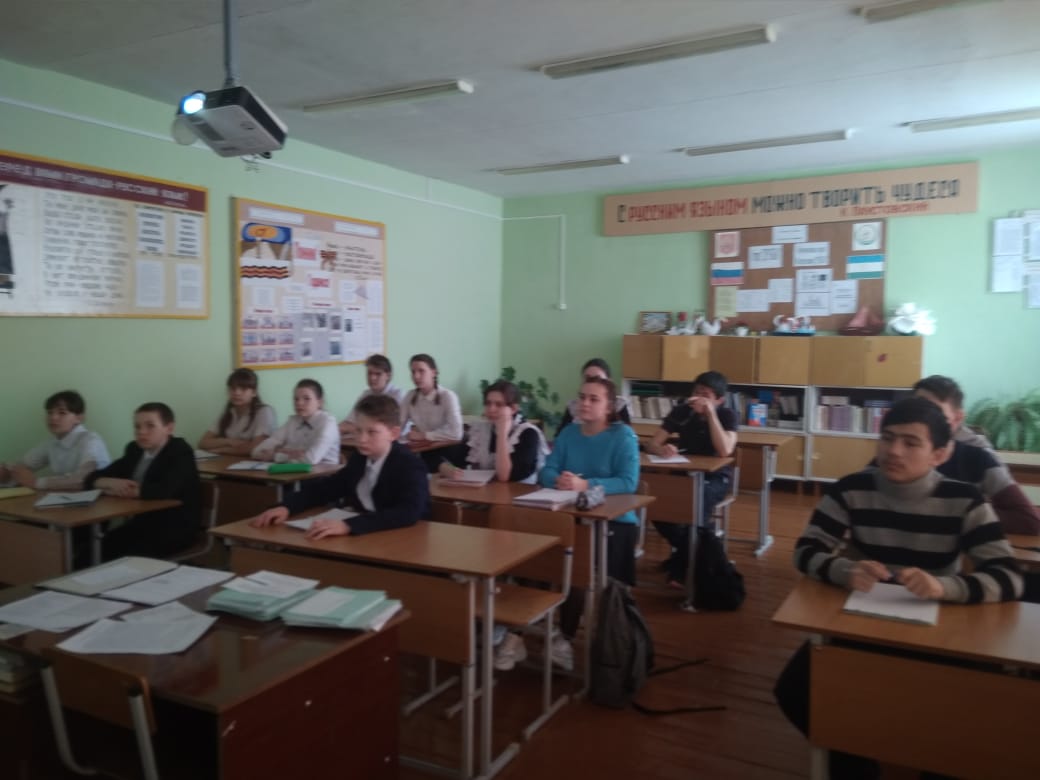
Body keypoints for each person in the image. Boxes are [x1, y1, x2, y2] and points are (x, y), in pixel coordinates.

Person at [774, 397, 1022, 780]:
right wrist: (844, 569)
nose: (893, 451)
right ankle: (856, 764)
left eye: (910, 443)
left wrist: (945, 587)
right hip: (863, 622)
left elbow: (1008, 576)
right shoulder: (850, 489)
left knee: (965, 711)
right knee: (795, 690)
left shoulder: (965, 500)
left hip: (938, 631)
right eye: (887, 438)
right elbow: (805, 551)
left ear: (940, 454)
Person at [538, 375, 640, 671]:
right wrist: (559, 480)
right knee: (537, 556)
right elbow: (547, 470)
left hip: (615, 522)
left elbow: (628, 482)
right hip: (570, 515)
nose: (584, 403)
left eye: (594, 399)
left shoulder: (623, 436)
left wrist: (586, 484)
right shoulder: (569, 433)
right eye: (582, 397)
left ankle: (568, 636)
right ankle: (522, 630)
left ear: (609, 407)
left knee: (578, 569)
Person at [248, 395, 429, 539]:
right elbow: (327, 488)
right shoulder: (360, 458)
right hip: (368, 535)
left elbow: (408, 512)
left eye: (371, 432)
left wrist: (349, 525)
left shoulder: (409, 465)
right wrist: (286, 507)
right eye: (358, 430)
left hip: (402, 538)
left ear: (394, 433)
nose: (361, 439)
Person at [912, 374, 1039, 534]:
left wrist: (960, 513)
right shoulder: (898, 448)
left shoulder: (978, 456)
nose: (922, 422)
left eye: (935, 414)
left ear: (957, 418)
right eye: (915, 412)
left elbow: (1028, 520)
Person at [645, 370, 738, 586]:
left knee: (696, 507)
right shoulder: (682, 411)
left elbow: (725, 450)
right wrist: (662, 450)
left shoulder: (727, 415)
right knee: (655, 503)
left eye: (706, 395)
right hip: (683, 474)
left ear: (719, 399)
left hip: (715, 478)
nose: (698, 398)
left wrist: (711, 414)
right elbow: (652, 443)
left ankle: (681, 568)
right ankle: (692, 554)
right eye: (697, 392)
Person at [85, 402, 201, 560]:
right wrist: (107, 482)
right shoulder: (134, 449)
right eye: (137, 426)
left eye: (150, 426)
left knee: (116, 557)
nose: (141, 432)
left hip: (174, 527)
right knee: (91, 552)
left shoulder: (180, 451)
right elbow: (91, 478)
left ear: (169, 428)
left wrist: (121, 489)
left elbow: (163, 490)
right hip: (141, 524)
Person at [438, 380, 548, 485]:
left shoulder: (528, 433)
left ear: (513, 409)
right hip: (490, 492)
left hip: (520, 493)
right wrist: (446, 468)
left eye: (499, 404)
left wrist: (502, 433)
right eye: (488, 403)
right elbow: (458, 461)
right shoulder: (480, 430)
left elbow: (504, 476)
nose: (491, 409)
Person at [0, 390, 110, 490]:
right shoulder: (51, 443)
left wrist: (36, 482)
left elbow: (85, 479)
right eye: (49, 412)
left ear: (79, 418)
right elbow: (22, 466)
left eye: (62, 413)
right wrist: (7, 473)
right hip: (68, 500)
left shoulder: (91, 440)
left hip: (102, 501)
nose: (53, 417)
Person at [252, 378, 340, 465]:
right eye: (296, 399)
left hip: (324, 472)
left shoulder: (328, 422)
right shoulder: (292, 421)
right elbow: (256, 452)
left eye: (306, 399)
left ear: (319, 402)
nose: (299, 403)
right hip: (292, 471)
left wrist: (276, 455)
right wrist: (285, 453)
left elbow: (310, 460)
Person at [402, 353, 464, 470]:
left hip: (449, 452)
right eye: (413, 372)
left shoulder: (447, 396)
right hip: (426, 451)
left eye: (421, 371)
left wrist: (424, 435)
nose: (416, 376)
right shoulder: (410, 396)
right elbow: (398, 425)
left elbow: (457, 433)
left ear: (433, 373)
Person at [197, 368, 277, 456]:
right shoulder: (229, 412)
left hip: (255, 462)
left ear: (254, 392)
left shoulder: (264, 412)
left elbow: (256, 446)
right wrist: (229, 441)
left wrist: (223, 450)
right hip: (230, 461)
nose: (237, 393)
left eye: (243, 389)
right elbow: (203, 442)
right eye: (233, 388)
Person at [554, 358, 631, 437]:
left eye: (598, 379)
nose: (592, 383)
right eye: (587, 378)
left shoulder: (619, 404)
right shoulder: (574, 406)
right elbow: (560, 436)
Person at [339, 354, 406, 436]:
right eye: (369, 373)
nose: (372, 378)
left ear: (388, 376)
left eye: (378, 374)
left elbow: (395, 427)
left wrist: (357, 428)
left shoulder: (398, 395)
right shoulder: (365, 395)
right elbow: (349, 421)